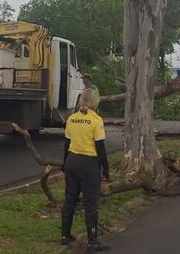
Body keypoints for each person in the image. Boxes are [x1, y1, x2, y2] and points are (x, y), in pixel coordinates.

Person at [61, 87, 111, 252]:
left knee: (70, 199)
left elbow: (67, 145)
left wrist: (64, 164)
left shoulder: (72, 118)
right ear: (95, 102)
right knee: (91, 203)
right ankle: (93, 242)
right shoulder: (96, 120)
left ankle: (65, 235)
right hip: (89, 164)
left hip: (72, 161)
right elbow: (100, 149)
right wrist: (106, 170)